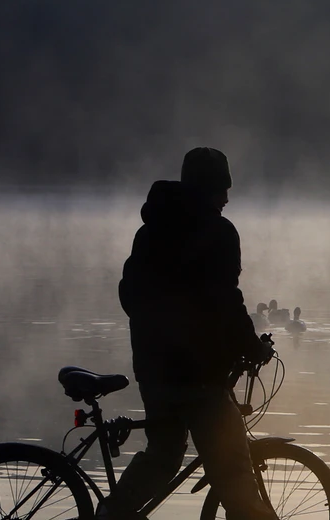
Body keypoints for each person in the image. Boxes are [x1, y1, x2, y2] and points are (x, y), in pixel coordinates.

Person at [96, 147, 277, 520]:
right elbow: (227, 300)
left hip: (153, 368)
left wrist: (156, 334)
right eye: (222, 188)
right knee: (233, 469)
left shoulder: (150, 230)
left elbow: (129, 294)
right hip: (200, 376)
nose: (227, 197)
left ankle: (108, 515)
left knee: (163, 456)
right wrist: (251, 347)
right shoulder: (219, 233)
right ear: (209, 187)